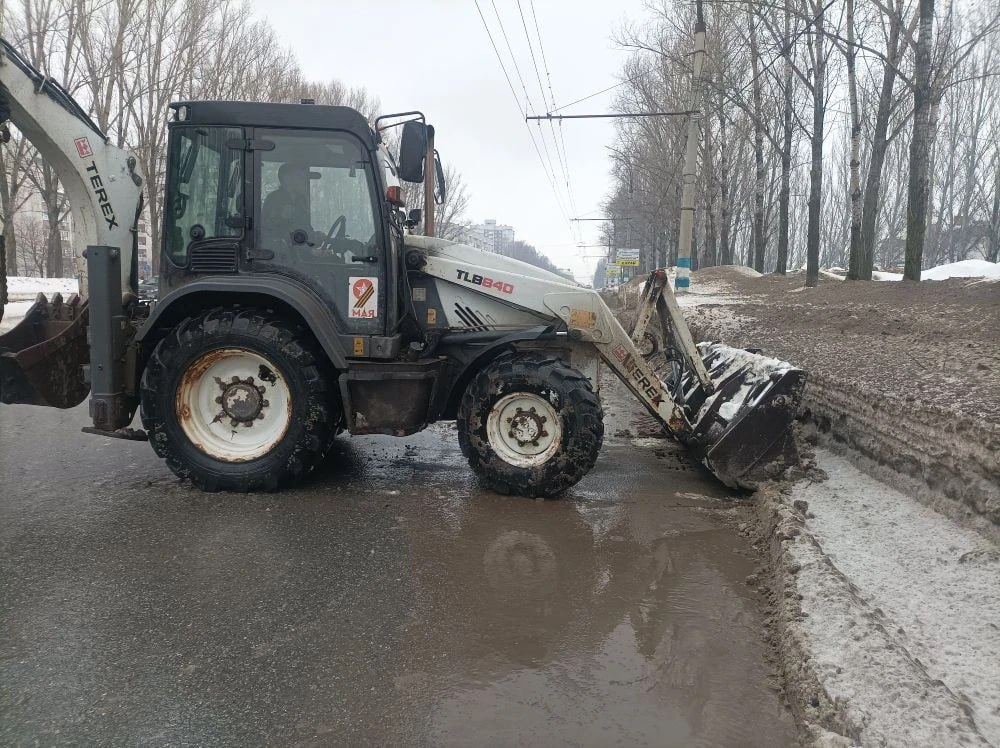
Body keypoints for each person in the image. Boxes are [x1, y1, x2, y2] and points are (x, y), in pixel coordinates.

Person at [261, 162, 315, 247]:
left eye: (304, 178)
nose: (304, 181)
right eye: (300, 177)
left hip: (301, 251)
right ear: (287, 179)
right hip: (281, 255)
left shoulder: (300, 201)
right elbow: (265, 230)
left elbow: (304, 229)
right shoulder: (274, 199)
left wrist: (316, 237)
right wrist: (282, 218)